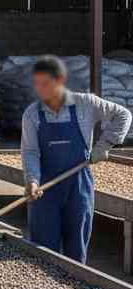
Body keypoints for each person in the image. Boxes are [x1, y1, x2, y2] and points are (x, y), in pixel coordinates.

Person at [21, 55, 131, 264]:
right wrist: (32, 181)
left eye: (46, 83)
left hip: (79, 186)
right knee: (44, 252)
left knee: (76, 246)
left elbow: (123, 115)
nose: (41, 89)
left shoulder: (85, 103)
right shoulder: (32, 114)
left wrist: (105, 145)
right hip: (46, 188)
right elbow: (30, 151)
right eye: (38, 84)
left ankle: (74, 280)